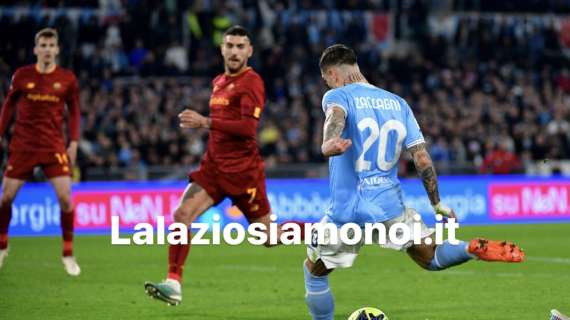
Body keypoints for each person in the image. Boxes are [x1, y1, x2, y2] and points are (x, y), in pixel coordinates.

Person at [303, 44, 525, 320]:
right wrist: (437, 203)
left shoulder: (337, 95)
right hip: (389, 206)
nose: (328, 84)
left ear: (333, 73)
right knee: (431, 257)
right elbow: (421, 159)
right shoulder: (398, 103)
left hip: (348, 210)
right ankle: (469, 249)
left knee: (314, 273)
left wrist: (327, 144)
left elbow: (335, 116)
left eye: (326, 79)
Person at [144, 25, 297, 306]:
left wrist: (206, 122)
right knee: (182, 215)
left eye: (241, 46)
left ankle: (320, 231)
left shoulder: (252, 82)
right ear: (222, 49)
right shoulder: (218, 81)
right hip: (213, 169)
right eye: (230, 45)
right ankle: (173, 283)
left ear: (249, 51)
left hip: (243, 173)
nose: (235, 51)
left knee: (269, 237)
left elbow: (248, 128)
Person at [0, 28, 81, 276]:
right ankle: (2, 246)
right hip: (23, 145)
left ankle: (68, 254)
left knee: (66, 198)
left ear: (57, 49)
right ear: (36, 49)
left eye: (51, 45)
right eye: (42, 45)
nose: (47, 49)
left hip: (53, 146)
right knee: (6, 198)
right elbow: (8, 106)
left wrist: (74, 142)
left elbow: (75, 111)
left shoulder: (67, 79)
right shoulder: (22, 76)